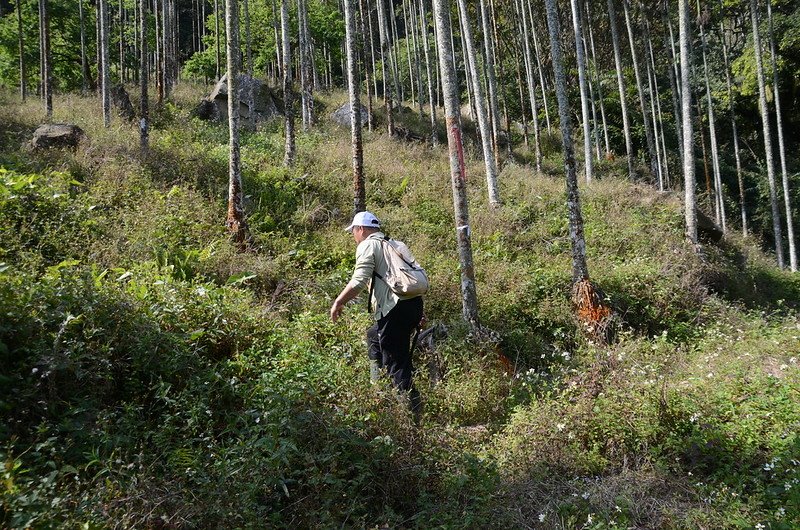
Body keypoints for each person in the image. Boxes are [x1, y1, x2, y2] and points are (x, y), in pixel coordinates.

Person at [330, 211, 424, 420]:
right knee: (374, 335)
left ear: (360, 229)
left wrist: (339, 302)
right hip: (413, 304)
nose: (353, 236)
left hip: (394, 310)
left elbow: (359, 280)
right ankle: (378, 389)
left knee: (396, 363)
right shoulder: (395, 244)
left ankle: (410, 420)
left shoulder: (367, 245)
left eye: (353, 231)